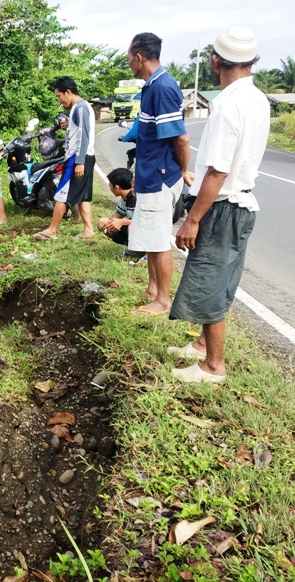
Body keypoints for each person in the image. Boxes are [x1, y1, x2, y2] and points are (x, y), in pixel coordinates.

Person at [167, 27, 270, 383]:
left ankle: (214, 365)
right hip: (242, 206)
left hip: (222, 206)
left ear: (215, 60)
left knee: (209, 279)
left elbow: (217, 171)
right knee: (223, 279)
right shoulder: (257, 98)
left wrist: (192, 219)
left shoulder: (227, 102)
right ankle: (201, 346)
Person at [126, 33, 193, 316]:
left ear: (139, 57)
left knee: (158, 237)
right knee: (149, 237)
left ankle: (163, 300)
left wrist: (184, 170)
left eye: (129, 57)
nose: (129, 63)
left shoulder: (163, 87)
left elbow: (180, 139)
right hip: (149, 174)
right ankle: (153, 289)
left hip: (161, 175)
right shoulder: (152, 86)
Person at [34, 77, 95, 240]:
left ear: (68, 92)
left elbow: (83, 135)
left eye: (59, 96)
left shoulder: (81, 108)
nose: (59, 101)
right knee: (83, 195)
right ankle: (88, 229)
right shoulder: (78, 109)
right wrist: (69, 125)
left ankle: (52, 230)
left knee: (61, 193)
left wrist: (79, 162)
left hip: (77, 157)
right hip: (84, 156)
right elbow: (78, 130)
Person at [99, 167, 135, 246]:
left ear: (117, 188)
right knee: (102, 222)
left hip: (148, 230)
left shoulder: (137, 197)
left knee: (132, 228)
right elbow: (119, 213)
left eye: (110, 186)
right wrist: (111, 224)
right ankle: (131, 247)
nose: (110, 189)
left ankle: (144, 254)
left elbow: (144, 222)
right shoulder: (124, 198)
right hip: (134, 227)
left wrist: (122, 222)